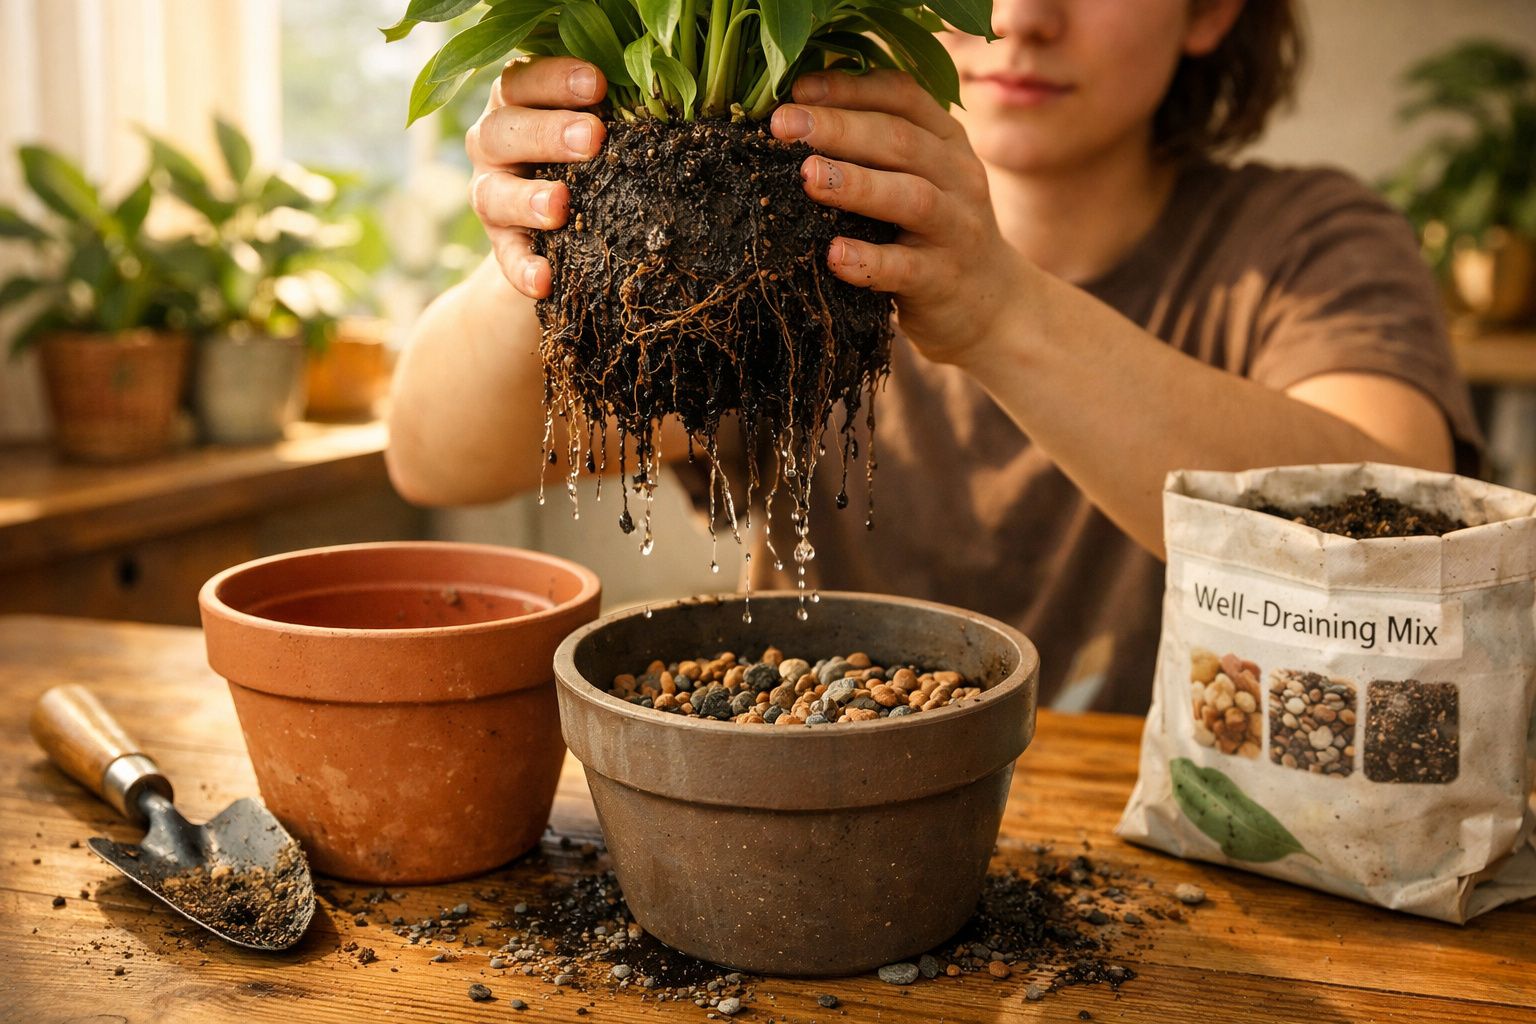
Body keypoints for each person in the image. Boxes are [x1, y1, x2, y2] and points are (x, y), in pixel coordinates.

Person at [386, 0, 1480, 713]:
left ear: (1209, 12)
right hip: (818, 831)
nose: (1021, 16)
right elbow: (435, 457)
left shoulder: (1303, 243)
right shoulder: (794, 237)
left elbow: (1402, 545)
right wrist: (556, 240)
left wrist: (996, 309)